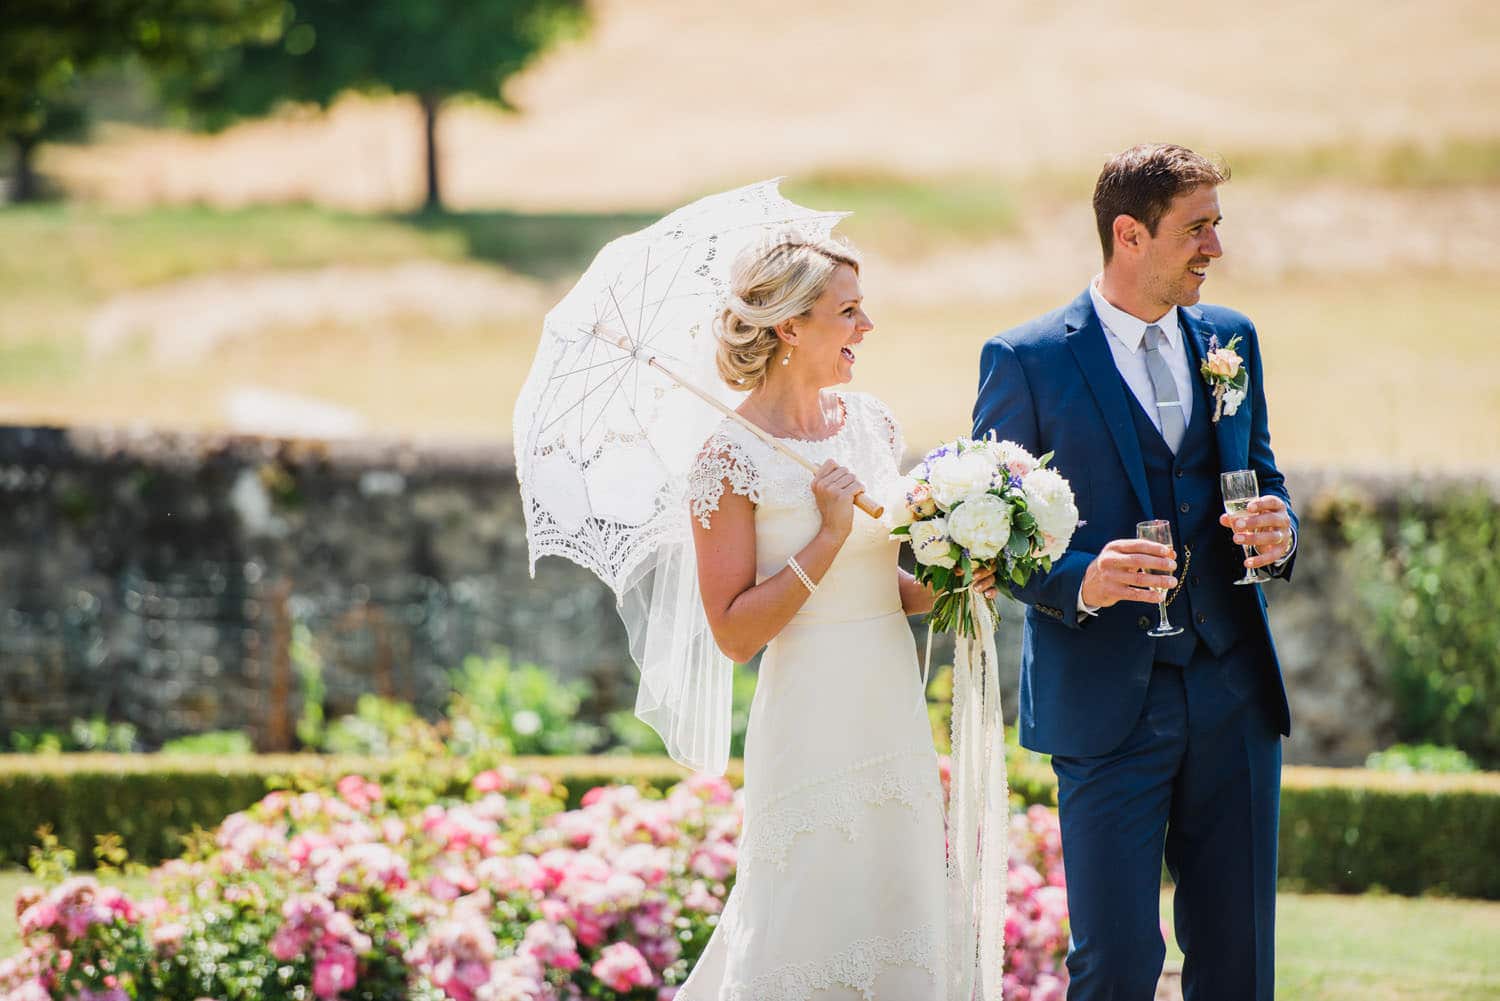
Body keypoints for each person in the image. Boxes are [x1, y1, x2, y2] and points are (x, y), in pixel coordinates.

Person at [972, 144, 1298, 1001]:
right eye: (1198, 229)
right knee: (1115, 964)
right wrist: (1083, 576)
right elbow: (990, 535)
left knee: (1240, 962)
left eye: (1217, 227)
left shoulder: (1232, 339)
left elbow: (1263, 474)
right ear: (1129, 233)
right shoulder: (1027, 359)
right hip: (1106, 698)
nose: (1216, 250)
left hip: (1232, 685)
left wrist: (1280, 528)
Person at [677, 231, 997, 1001]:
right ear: (790, 327)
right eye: (848, 311)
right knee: (810, 910)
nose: (866, 326)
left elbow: (885, 586)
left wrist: (955, 580)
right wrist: (825, 534)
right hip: (810, 715)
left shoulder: (872, 424)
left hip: (889, 702)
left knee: (898, 901)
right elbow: (735, 633)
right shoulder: (726, 460)